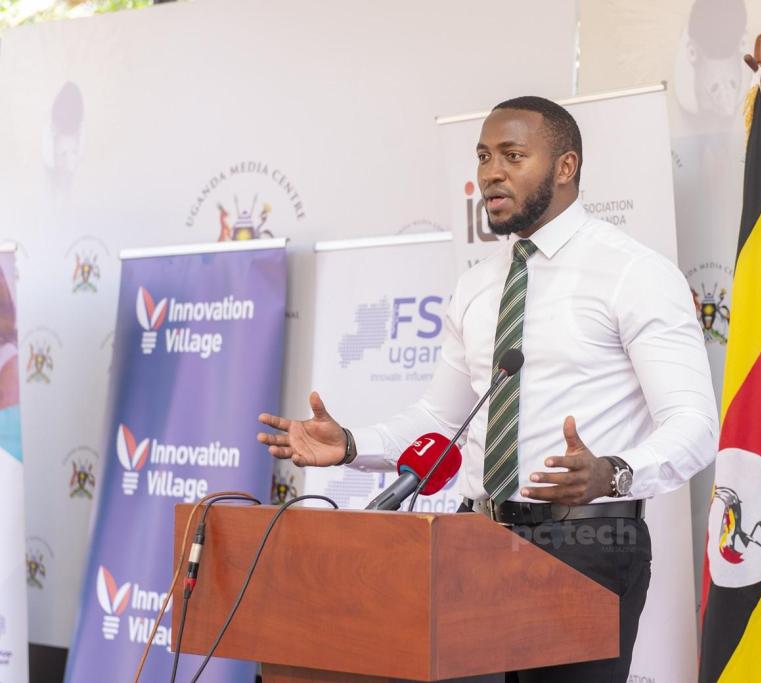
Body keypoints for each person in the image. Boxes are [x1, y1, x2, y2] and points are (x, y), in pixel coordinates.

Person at [257, 96, 719, 683]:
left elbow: (695, 424)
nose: (490, 172)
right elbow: (439, 418)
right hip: (472, 544)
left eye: (512, 155)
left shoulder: (635, 274)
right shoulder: (477, 287)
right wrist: (350, 443)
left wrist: (614, 472)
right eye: (482, 157)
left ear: (565, 167)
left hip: (587, 544)